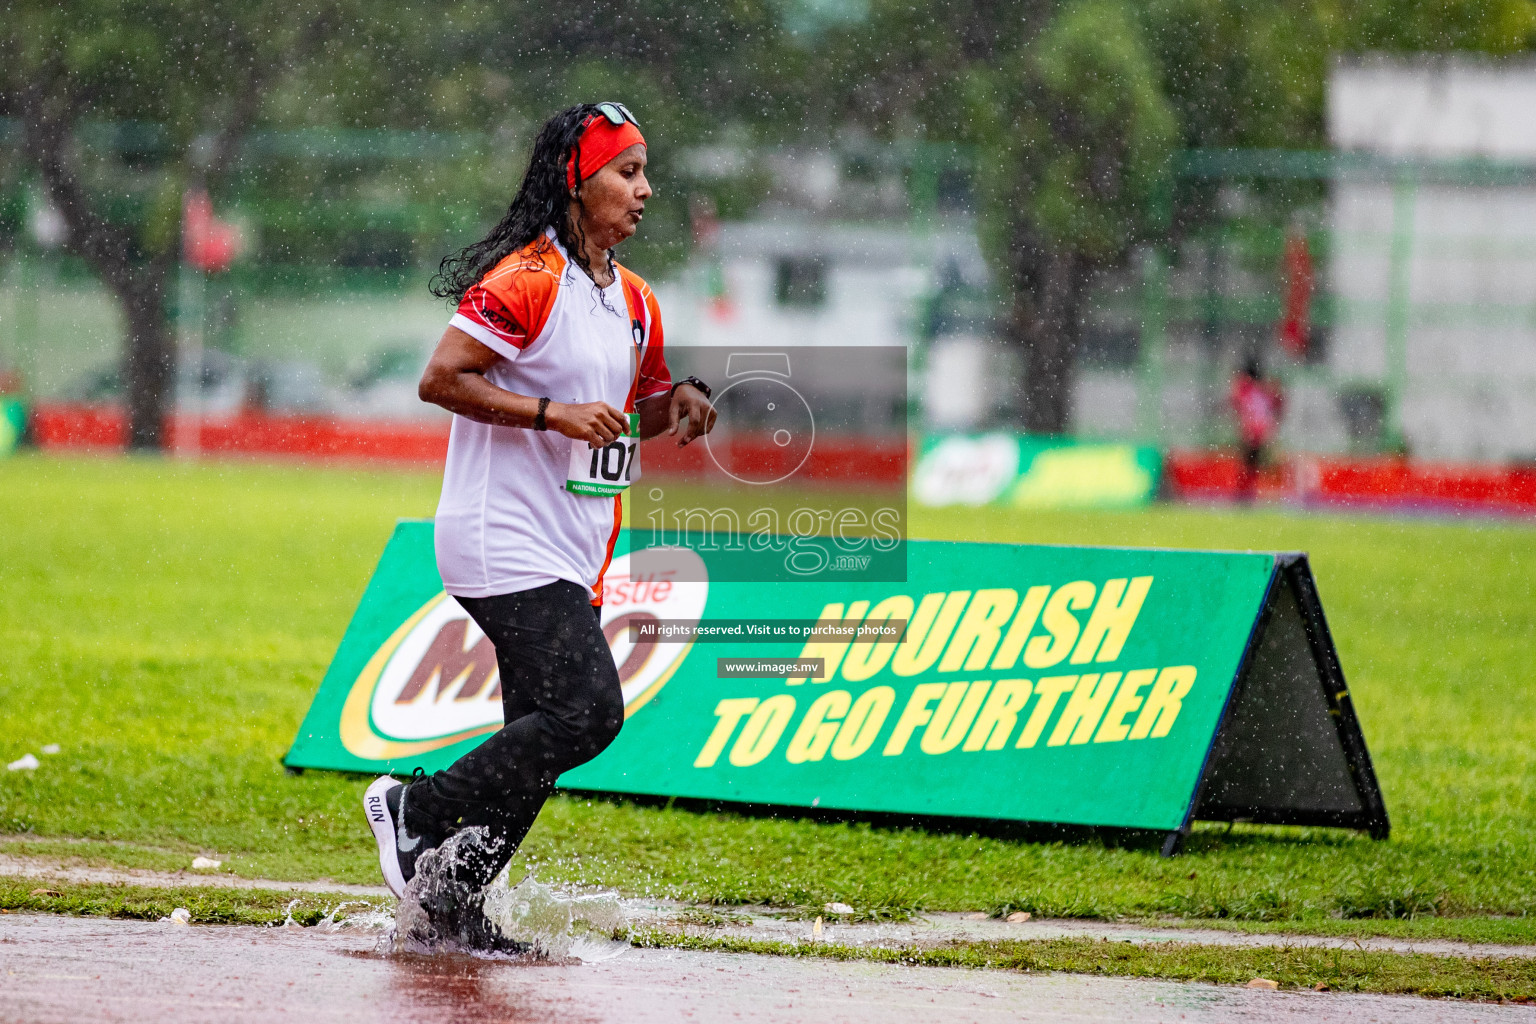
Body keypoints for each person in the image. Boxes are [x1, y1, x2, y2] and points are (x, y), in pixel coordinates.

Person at [361, 102, 716, 931]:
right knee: (587, 713)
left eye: (644, 171)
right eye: (627, 172)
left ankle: (450, 907)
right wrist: (551, 413)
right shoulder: (525, 279)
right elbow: (442, 378)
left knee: (536, 746)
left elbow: (634, 413)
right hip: (501, 539)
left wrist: (685, 404)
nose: (645, 190)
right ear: (575, 181)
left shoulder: (635, 300)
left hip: (573, 548)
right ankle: (413, 812)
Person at [1230, 356, 1284, 502]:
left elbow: (1236, 402)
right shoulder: (1264, 390)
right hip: (1262, 432)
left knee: (1251, 467)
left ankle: (1248, 495)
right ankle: (1253, 494)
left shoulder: (1247, 389)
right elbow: (1278, 404)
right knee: (1256, 467)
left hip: (1254, 433)